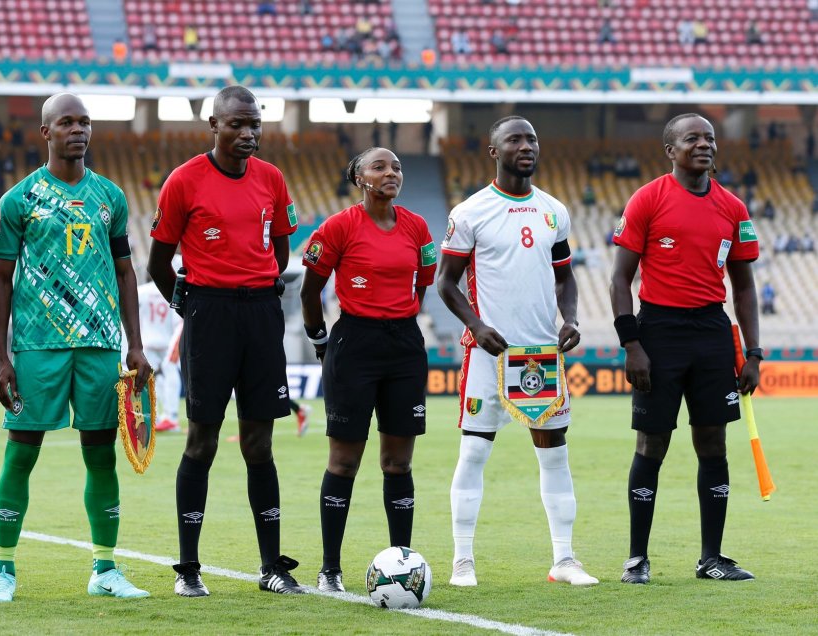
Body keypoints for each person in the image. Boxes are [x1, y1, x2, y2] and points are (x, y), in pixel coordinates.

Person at [0, 93, 152, 603]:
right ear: (45, 133)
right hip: (38, 344)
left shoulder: (111, 197)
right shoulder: (19, 200)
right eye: (66, 122)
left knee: (101, 458)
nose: (78, 130)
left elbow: (125, 272)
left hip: (100, 344)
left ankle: (104, 569)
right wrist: (0, 354)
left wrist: (135, 346)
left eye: (84, 122)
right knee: (21, 455)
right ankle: (3, 571)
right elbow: (1, 280)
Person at [147, 85, 303, 597]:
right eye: (236, 124)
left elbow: (280, 254)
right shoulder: (184, 181)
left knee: (260, 443)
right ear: (213, 125)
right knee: (203, 440)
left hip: (260, 313)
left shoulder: (272, 179)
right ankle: (189, 569)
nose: (248, 133)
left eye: (254, 124)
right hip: (208, 314)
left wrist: (252, 286)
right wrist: (189, 306)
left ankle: (273, 568)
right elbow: (157, 263)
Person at [437, 116, 597, 588]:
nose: (526, 146)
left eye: (531, 139)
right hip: (490, 355)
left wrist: (570, 319)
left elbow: (565, 276)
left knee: (555, 457)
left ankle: (564, 559)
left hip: (542, 356)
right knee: (473, 454)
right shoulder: (470, 212)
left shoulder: (554, 210)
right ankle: (462, 560)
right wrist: (476, 325)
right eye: (515, 139)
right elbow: (444, 283)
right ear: (494, 151)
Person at [610, 113, 761, 584]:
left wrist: (753, 352)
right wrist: (631, 342)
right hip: (658, 330)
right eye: (692, 138)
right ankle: (637, 558)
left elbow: (745, 287)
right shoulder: (647, 199)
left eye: (710, 138)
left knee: (713, 443)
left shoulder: (733, 208)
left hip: (712, 332)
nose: (704, 144)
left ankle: (711, 558)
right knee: (651, 443)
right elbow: (619, 278)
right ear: (670, 150)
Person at [299, 147, 437, 592]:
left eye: (396, 166)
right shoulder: (338, 227)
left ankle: (404, 565)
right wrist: (321, 340)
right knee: (344, 461)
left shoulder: (417, 227)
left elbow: (423, 282)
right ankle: (329, 569)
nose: (391, 173)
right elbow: (310, 291)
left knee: (398, 462)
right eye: (379, 166)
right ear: (359, 178)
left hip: (404, 345)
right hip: (353, 343)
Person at [135, 279, 183, 433]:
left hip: (147, 340)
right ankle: (170, 416)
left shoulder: (141, 291)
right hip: (167, 339)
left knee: (149, 379)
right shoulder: (171, 288)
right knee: (169, 374)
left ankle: (153, 416)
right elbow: (179, 319)